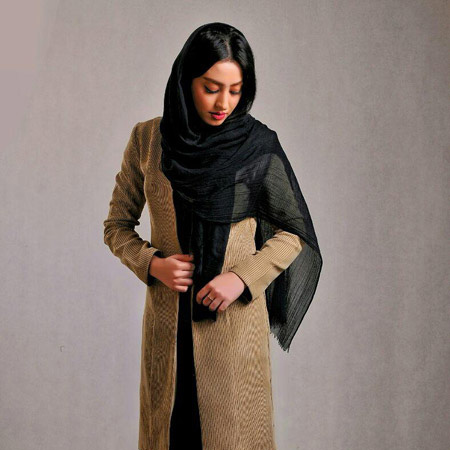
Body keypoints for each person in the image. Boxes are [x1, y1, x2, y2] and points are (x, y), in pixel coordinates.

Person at [103, 22, 322, 450]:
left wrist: (241, 278)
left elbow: (292, 232)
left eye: (235, 90)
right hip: (168, 332)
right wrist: (152, 264)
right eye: (211, 88)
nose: (224, 103)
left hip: (234, 331)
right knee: (169, 436)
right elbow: (116, 226)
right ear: (186, 80)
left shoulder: (257, 146)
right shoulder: (148, 140)